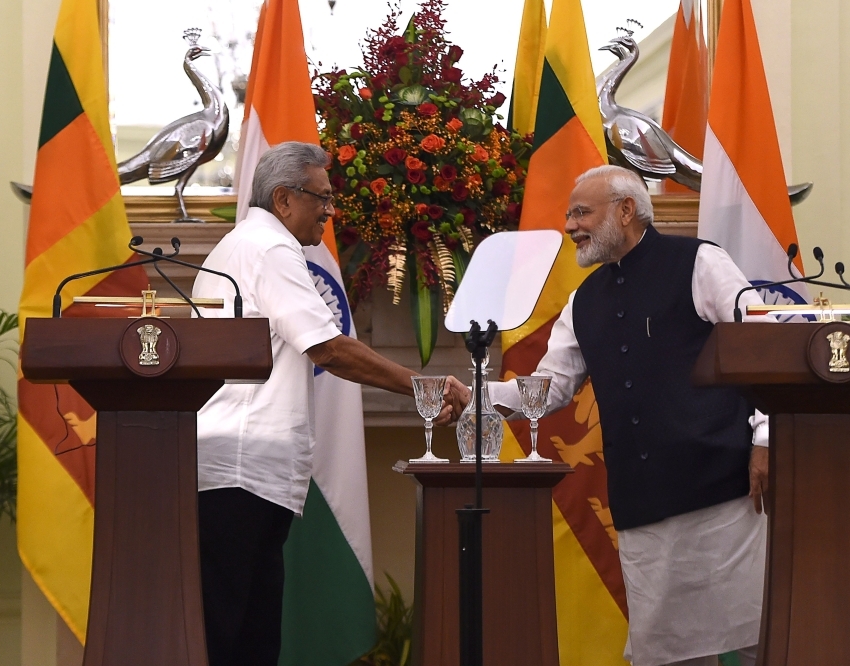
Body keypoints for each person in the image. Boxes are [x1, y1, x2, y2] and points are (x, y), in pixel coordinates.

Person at [450, 165, 772, 666]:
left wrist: (765, 439)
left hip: (725, 492)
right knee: (667, 655)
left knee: (762, 640)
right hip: (642, 503)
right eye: (568, 214)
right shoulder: (584, 299)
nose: (571, 225)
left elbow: (761, 346)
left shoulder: (699, 262)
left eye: (581, 212)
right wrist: (475, 397)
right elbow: (551, 386)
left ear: (626, 210)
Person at [191, 141, 454, 666]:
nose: (331, 211)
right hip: (240, 469)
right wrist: (423, 386)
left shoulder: (243, 244)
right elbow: (329, 346)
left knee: (247, 634)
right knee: (234, 636)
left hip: (240, 468)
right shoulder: (270, 249)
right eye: (322, 198)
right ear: (284, 199)